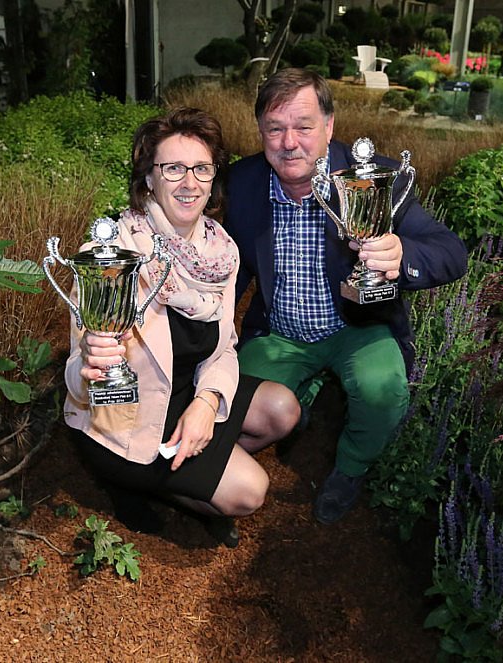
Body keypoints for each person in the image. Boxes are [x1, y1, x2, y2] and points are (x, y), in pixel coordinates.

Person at [224, 68, 468, 525]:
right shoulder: (242, 183)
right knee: (231, 401)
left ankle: (351, 467)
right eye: (275, 129)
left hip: (358, 326)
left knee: (382, 392)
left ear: (330, 126)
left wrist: (402, 255)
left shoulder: (375, 177)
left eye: (304, 126)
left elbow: (451, 252)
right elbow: (227, 269)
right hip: (280, 333)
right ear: (260, 132)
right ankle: (302, 395)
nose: (289, 142)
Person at [64, 107, 300, 546]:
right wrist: (88, 369)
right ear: (148, 178)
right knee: (251, 491)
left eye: (201, 168)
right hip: (127, 420)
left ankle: (197, 471)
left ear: (213, 179)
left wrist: (207, 405)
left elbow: (224, 347)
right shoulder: (112, 254)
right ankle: (140, 484)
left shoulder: (220, 252)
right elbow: (77, 379)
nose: (189, 183)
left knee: (282, 409)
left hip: (187, 395)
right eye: (172, 168)